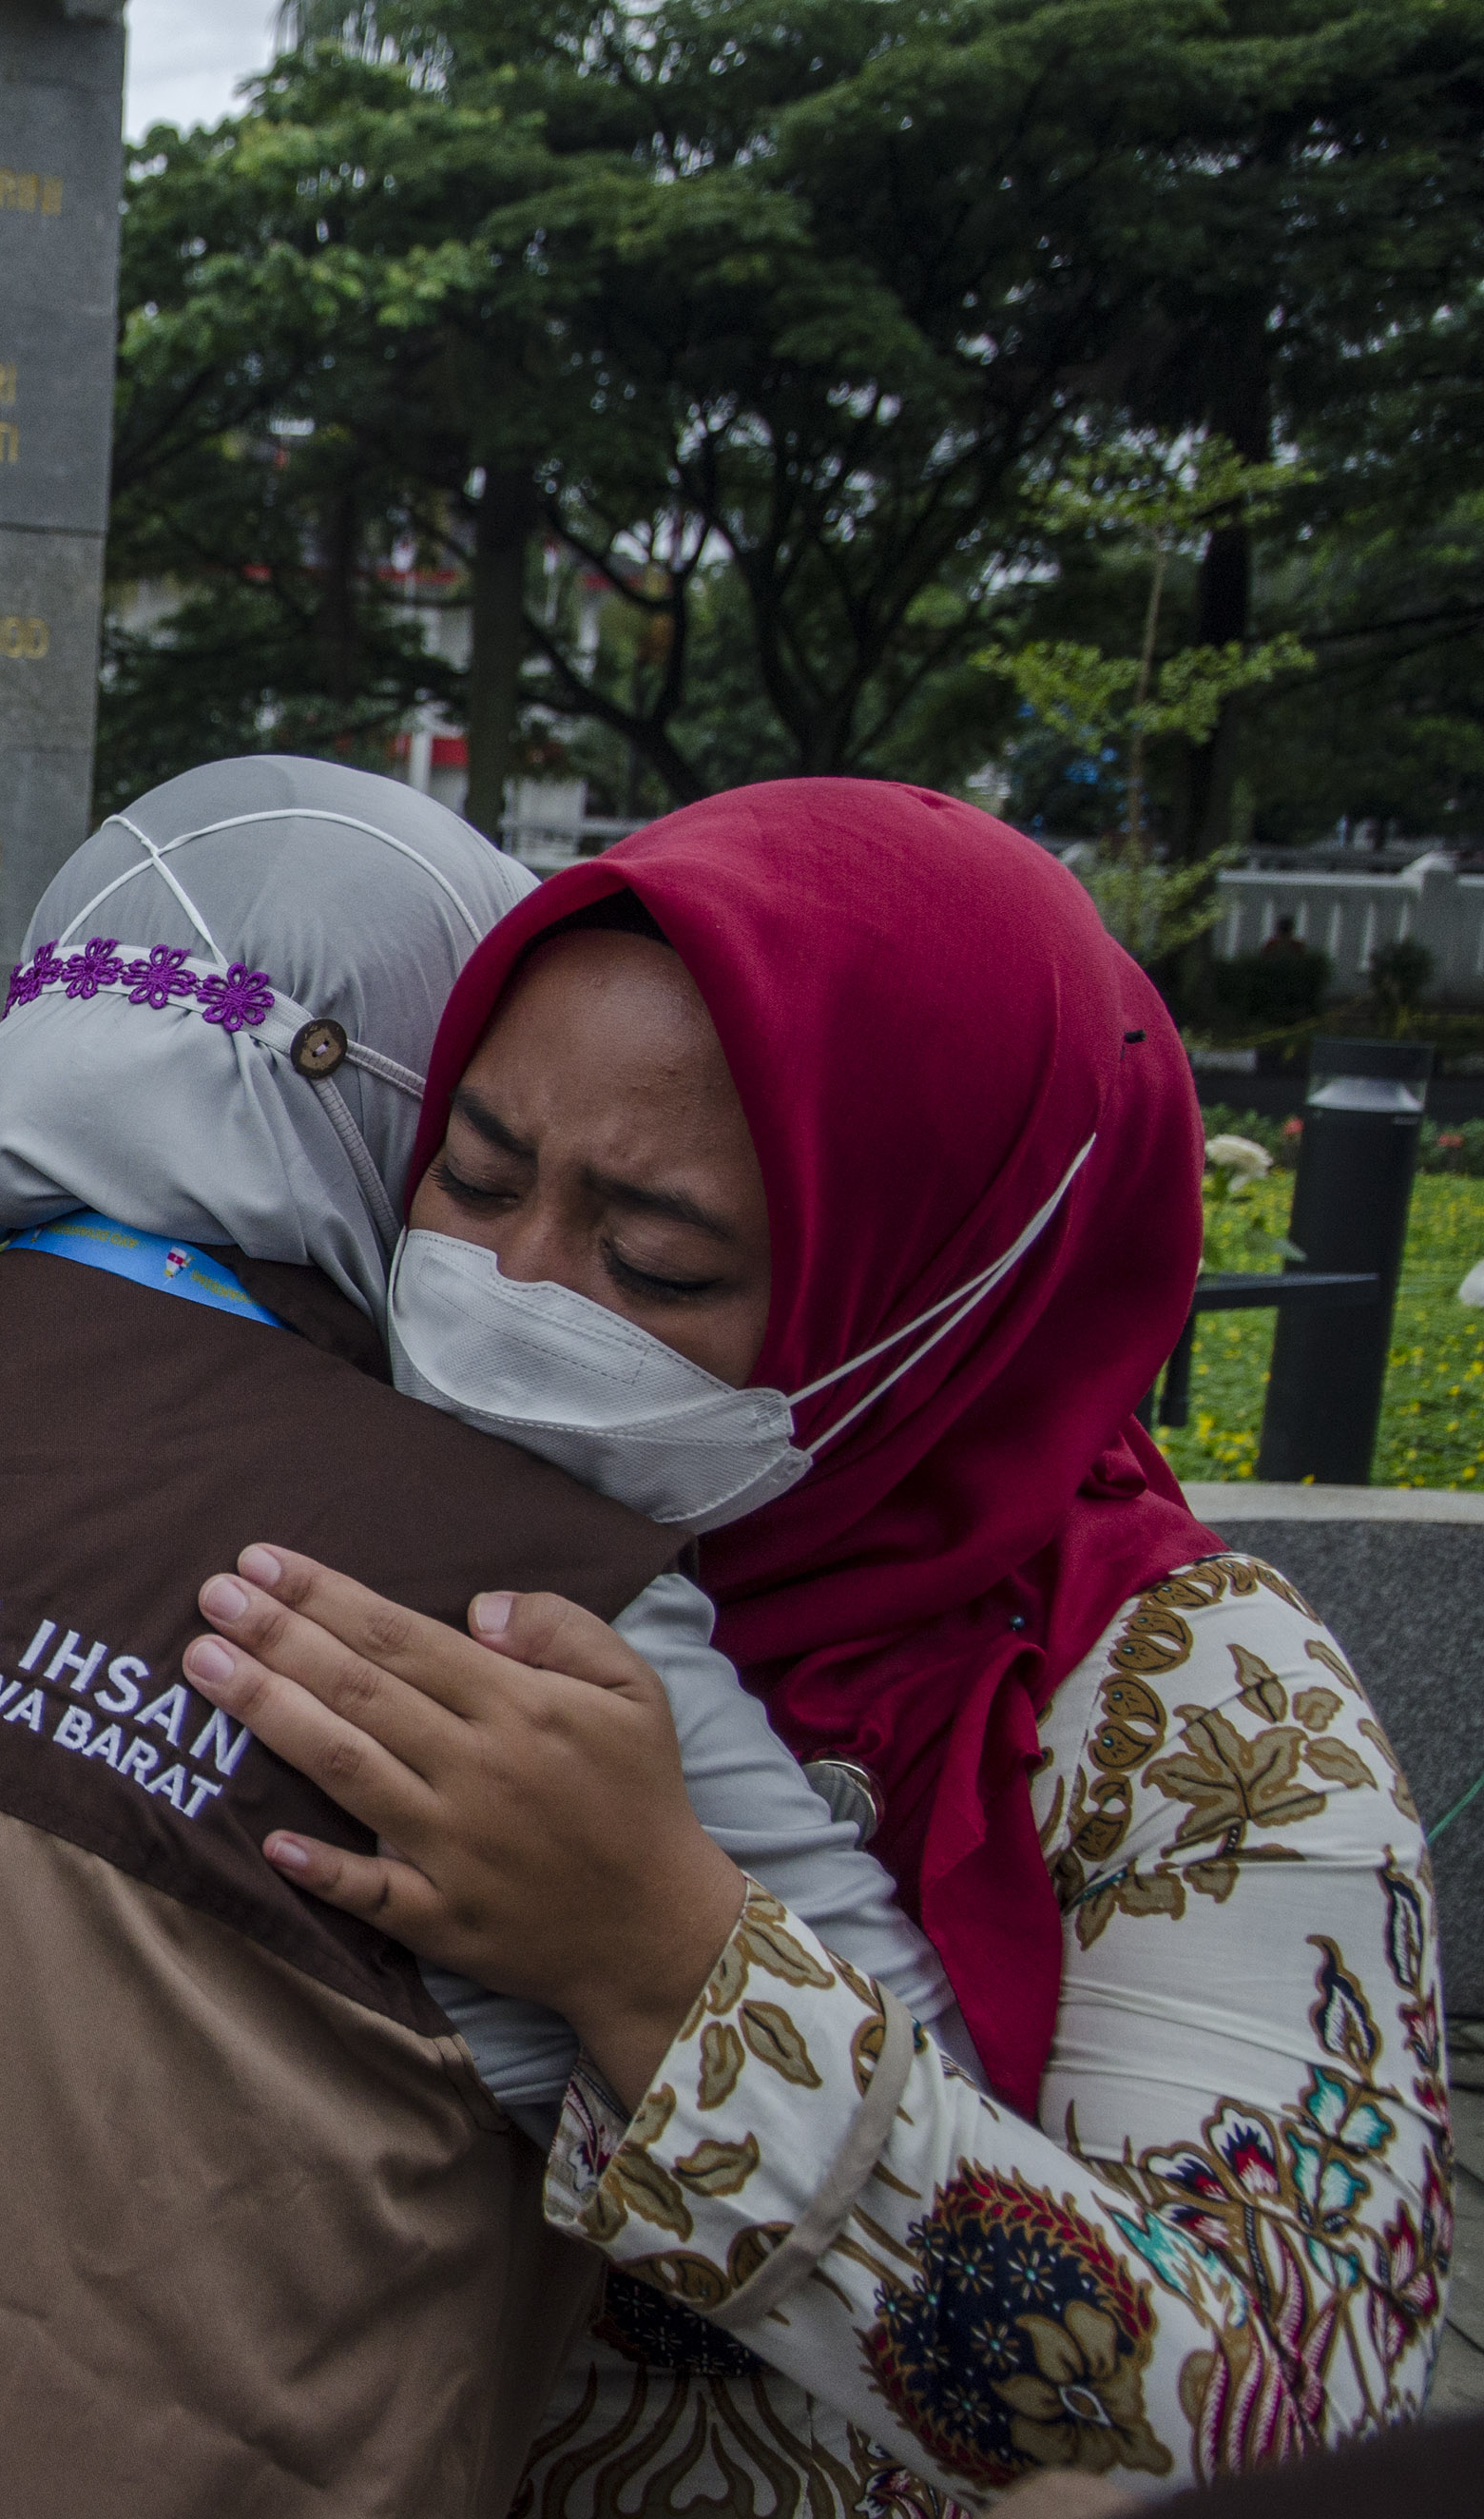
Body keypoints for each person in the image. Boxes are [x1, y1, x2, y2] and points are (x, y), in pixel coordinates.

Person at [0, 759, 959, 2518]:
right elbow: (915, 2182)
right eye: (479, 1163)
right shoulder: (513, 1603)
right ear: (399, 1107)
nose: (522, 1281)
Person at [171, 780, 1452, 2508]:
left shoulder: (1196, 1711)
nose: (511, 1291)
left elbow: (1283, 2430)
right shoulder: (331, 1503)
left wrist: (664, 1961)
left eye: (654, 1258)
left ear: (935, 1288)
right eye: (473, 1179)